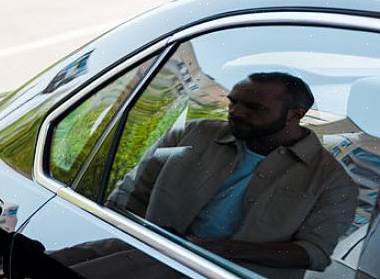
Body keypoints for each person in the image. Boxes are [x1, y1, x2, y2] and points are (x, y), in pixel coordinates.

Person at [108, 72, 358, 279]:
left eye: (254, 107)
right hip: (144, 251)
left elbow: (313, 253)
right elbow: (129, 195)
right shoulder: (192, 134)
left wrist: (222, 250)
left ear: (296, 115)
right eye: (233, 102)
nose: (236, 112)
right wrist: (130, 241)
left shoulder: (331, 180)